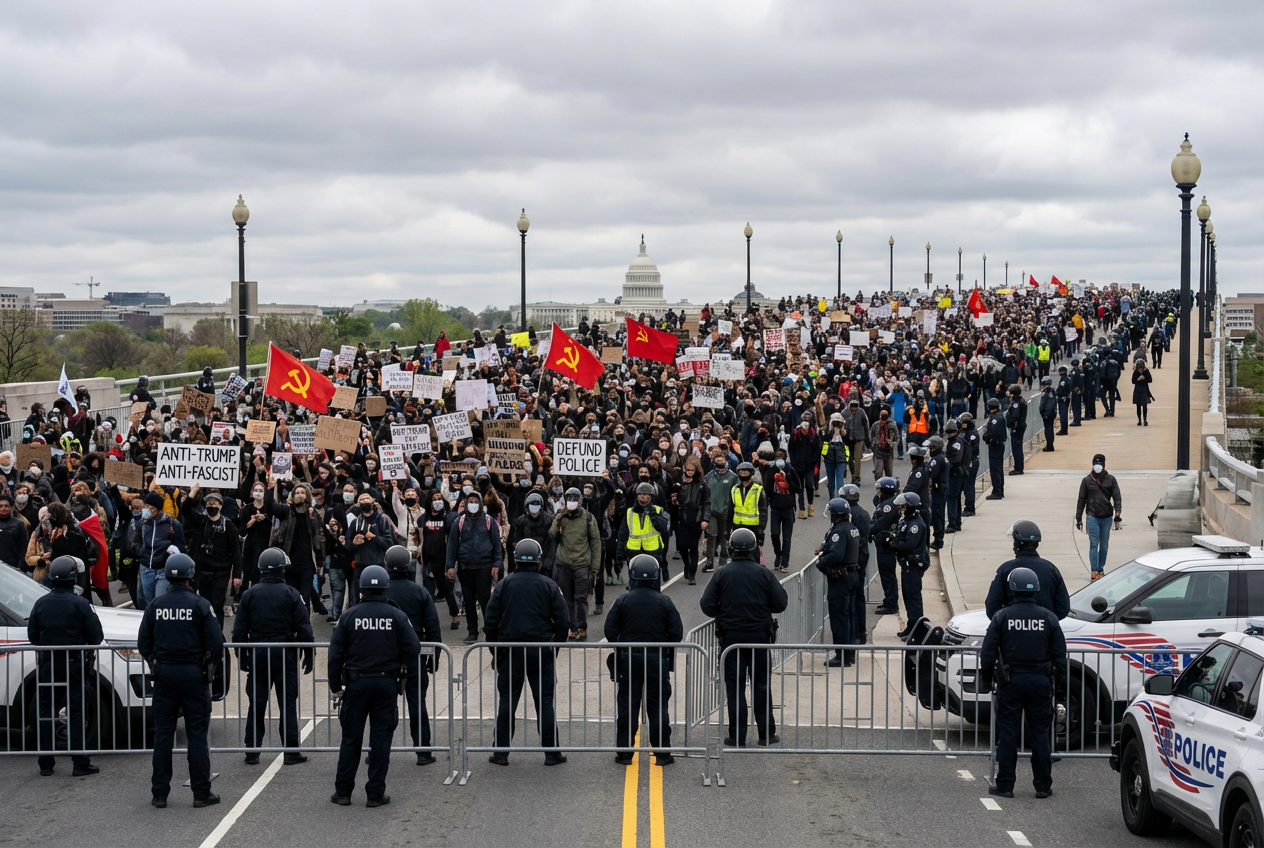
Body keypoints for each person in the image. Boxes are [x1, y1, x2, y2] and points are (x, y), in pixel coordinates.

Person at [328, 564, 421, 807]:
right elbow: (414, 647)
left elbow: (335, 654)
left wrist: (335, 685)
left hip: (356, 685)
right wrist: (409, 674)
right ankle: (375, 794)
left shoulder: (349, 616)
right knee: (380, 741)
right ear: (385, 587)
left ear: (361, 589)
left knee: (351, 739)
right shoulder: (397, 615)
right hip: (386, 684)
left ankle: (343, 793)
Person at [138, 553, 225, 809]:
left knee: (163, 736)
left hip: (164, 675)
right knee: (196, 736)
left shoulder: (155, 605)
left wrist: (155, 662)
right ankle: (201, 793)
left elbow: (144, 643)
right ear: (190, 575)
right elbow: (217, 643)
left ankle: (159, 794)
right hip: (193, 676)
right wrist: (209, 665)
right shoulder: (200, 604)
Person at [981, 567, 1066, 799]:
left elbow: (988, 653)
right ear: (1035, 589)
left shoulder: (1002, 616)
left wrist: (986, 679)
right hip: (1040, 681)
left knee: (1008, 734)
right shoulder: (1049, 617)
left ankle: (1006, 785)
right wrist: (1057, 685)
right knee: (1040, 733)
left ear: (1012, 589)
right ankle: (1042, 786)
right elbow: (1060, 656)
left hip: (1011, 681)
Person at [484, 539, 570, 767]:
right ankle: (551, 753)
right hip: (540, 651)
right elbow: (563, 622)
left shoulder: (504, 585)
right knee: (545, 703)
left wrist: (496, 650)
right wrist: (554, 648)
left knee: (507, 701)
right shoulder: (549, 585)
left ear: (516, 559)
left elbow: (490, 621)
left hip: (510, 652)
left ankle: (500, 753)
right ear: (539, 560)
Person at [699, 527, 788, 747]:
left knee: (735, 688)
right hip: (759, 638)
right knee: (761, 686)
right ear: (754, 550)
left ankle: (737, 736)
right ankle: (766, 735)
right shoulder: (764, 573)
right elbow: (781, 603)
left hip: (732, 640)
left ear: (730, 548)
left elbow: (707, 605)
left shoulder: (722, 573)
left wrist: (725, 608)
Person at [232, 547, 314, 766]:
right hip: (285, 653)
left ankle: (252, 751)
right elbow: (304, 627)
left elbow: (238, 631)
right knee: (287, 703)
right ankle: (291, 751)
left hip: (259, 653)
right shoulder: (291, 593)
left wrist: (242, 657)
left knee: (256, 704)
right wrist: (309, 653)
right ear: (282, 570)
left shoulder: (250, 594)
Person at [604, 553, 684, 766]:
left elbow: (610, 630)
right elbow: (676, 633)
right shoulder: (664, 601)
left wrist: (622, 642)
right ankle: (662, 754)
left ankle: (624, 754)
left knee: (628, 706)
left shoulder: (622, 601)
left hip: (629, 658)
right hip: (657, 659)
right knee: (658, 707)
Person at [27, 556, 103, 777]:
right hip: (74, 666)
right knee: (77, 713)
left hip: (48, 665)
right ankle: (80, 763)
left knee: (46, 713)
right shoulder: (80, 604)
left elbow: (33, 636)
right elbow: (96, 636)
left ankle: (46, 764)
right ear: (73, 578)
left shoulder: (41, 603)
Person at [384, 545, 442, 766]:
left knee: (382, 708)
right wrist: (434, 655)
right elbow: (433, 626)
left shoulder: (380, 590)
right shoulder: (420, 591)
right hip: (414, 655)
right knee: (418, 703)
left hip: (385, 658)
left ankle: (377, 751)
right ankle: (423, 752)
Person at [446, 490, 503, 644]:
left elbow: (497, 546)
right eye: (470, 502)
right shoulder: (459, 522)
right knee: (469, 602)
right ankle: (472, 632)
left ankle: (490, 631)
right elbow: (452, 546)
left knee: (486, 600)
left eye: (475, 502)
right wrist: (450, 566)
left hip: (484, 567)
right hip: (465, 569)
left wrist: (497, 564)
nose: (473, 505)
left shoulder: (489, 521)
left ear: (480, 503)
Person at [182, 486, 243, 628]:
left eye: (215, 503)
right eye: (209, 503)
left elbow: (235, 551)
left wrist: (237, 575)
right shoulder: (201, 521)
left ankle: (217, 635)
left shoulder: (228, 525)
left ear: (221, 506)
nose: (212, 506)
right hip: (203, 572)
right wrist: (192, 493)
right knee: (204, 604)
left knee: (217, 605)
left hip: (221, 573)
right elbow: (185, 510)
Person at [984, 520, 1071, 619]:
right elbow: (1063, 607)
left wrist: (1006, 623)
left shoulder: (1005, 570)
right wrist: (1047, 623)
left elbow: (992, 606)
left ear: (1016, 543)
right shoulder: (1051, 570)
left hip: (1011, 631)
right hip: (1043, 632)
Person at [550, 487, 602, 641]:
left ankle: (581, 627)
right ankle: (572, 628)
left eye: (574, 499)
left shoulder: (588, 518)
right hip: (563, 564)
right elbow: (552, 534)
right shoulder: (561, 516)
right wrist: (559, 517)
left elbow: (596, 544)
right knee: (567, 599)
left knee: (580, 598)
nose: (571, 502)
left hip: (582, 565)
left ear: (580, 501)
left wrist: (594, 569)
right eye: (569, 499)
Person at [816, 498, 861, 668]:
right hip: (852, 574)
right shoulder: (852, 528)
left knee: (839, 617)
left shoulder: (839, 532)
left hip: (841, 578)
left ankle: (841, 655)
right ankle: (849, 652)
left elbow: (836, 555)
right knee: (850, 614)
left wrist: (821, 561)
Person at [1075, 455, 1123, 580]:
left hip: (1106, 517)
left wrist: (1118, 512)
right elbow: (1081, 500)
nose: (1097, 465)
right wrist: (1078, 517)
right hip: (1092, 516)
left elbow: (1117, 497)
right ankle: (1094, 570)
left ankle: (1101, 568)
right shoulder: (1086, 481)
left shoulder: (1111, 480)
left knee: (1104, 545)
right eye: (1095, 463)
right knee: (1093, 544)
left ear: (1104, 464)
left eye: (1099, 463)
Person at [890, 492, 928, 639]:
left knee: (913, 597)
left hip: (913, 565)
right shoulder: (906, 521)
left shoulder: (916, 525)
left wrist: (893, 543)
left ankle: (918, 630)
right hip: (906, 565)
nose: (900, 510)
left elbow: (908, 545)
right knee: (907, 596)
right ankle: (911, 625)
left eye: (903, 507)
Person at [617, 482, 671, 579]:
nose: (643, 497)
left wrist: (652, 514)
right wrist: (619, 556)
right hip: (634, 552)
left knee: (653, 582)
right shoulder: (629, 512)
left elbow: (664, 529)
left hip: (653, 552)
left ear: (651, 497)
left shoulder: (659, 510)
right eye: (640, 494)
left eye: (646, 495)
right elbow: (622, 533)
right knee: (634, 581)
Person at [870, 477, 901, 616]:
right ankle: (888, 599)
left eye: (879, 489)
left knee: (887, 574)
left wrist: (867, 530)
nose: (877, 492)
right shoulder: (886, 502)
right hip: (882, 543)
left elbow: (879, 524)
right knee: (885, 573)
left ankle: (891, 603)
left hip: (886, 545)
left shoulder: (888, 506)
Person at [701, 455, 738, 570]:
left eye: (722, 464)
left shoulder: (733, 477)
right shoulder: (709, 476)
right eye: (717, 464)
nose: (720, 467)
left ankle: (723, 560)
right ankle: (709, 561)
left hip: (725, 511)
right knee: (711, 536)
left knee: (724, 536)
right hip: (712, 511)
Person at [982, 398, 1006, 500]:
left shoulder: (996, 418)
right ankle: (999, 489)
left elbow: (992, 432)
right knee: (998, 468)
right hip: (998, 445)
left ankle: (997, 491)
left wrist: (985, 436)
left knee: (995, 469)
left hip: (995, 445)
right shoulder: (998, 416)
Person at [1004, 384, 1027, 476]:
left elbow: (1014, 416)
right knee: (1017, 447)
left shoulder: (1017, 403)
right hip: (1019, 426)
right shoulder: (1018, 401)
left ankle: (1018, 468)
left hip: (1017, 427)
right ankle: (1018, 467)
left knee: (1016, 448)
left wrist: (1008, 422)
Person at [1131, 359, 1154, 426]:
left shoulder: (1146, 371)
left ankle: (1145, 420)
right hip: (1137, 390)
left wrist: (1145, 378)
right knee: (1138, 406)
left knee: (1145, 406)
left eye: (1141, 369)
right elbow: (1133, 381)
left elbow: (1150, 380)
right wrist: (1137, 379)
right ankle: (1139, 420)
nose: (1140, 371)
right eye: (1139, 369)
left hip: (1144, 389)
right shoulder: (1135, 372)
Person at [1038, 376, 1056, 451]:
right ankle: (1049, 444)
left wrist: (1045, 413)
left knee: (1048, 430)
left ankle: (1050, 446)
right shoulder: (1050, 391)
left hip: (1048, 414)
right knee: (1049, 429)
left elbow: (1049, 404)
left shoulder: (1048, 392)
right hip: (1050, 413)